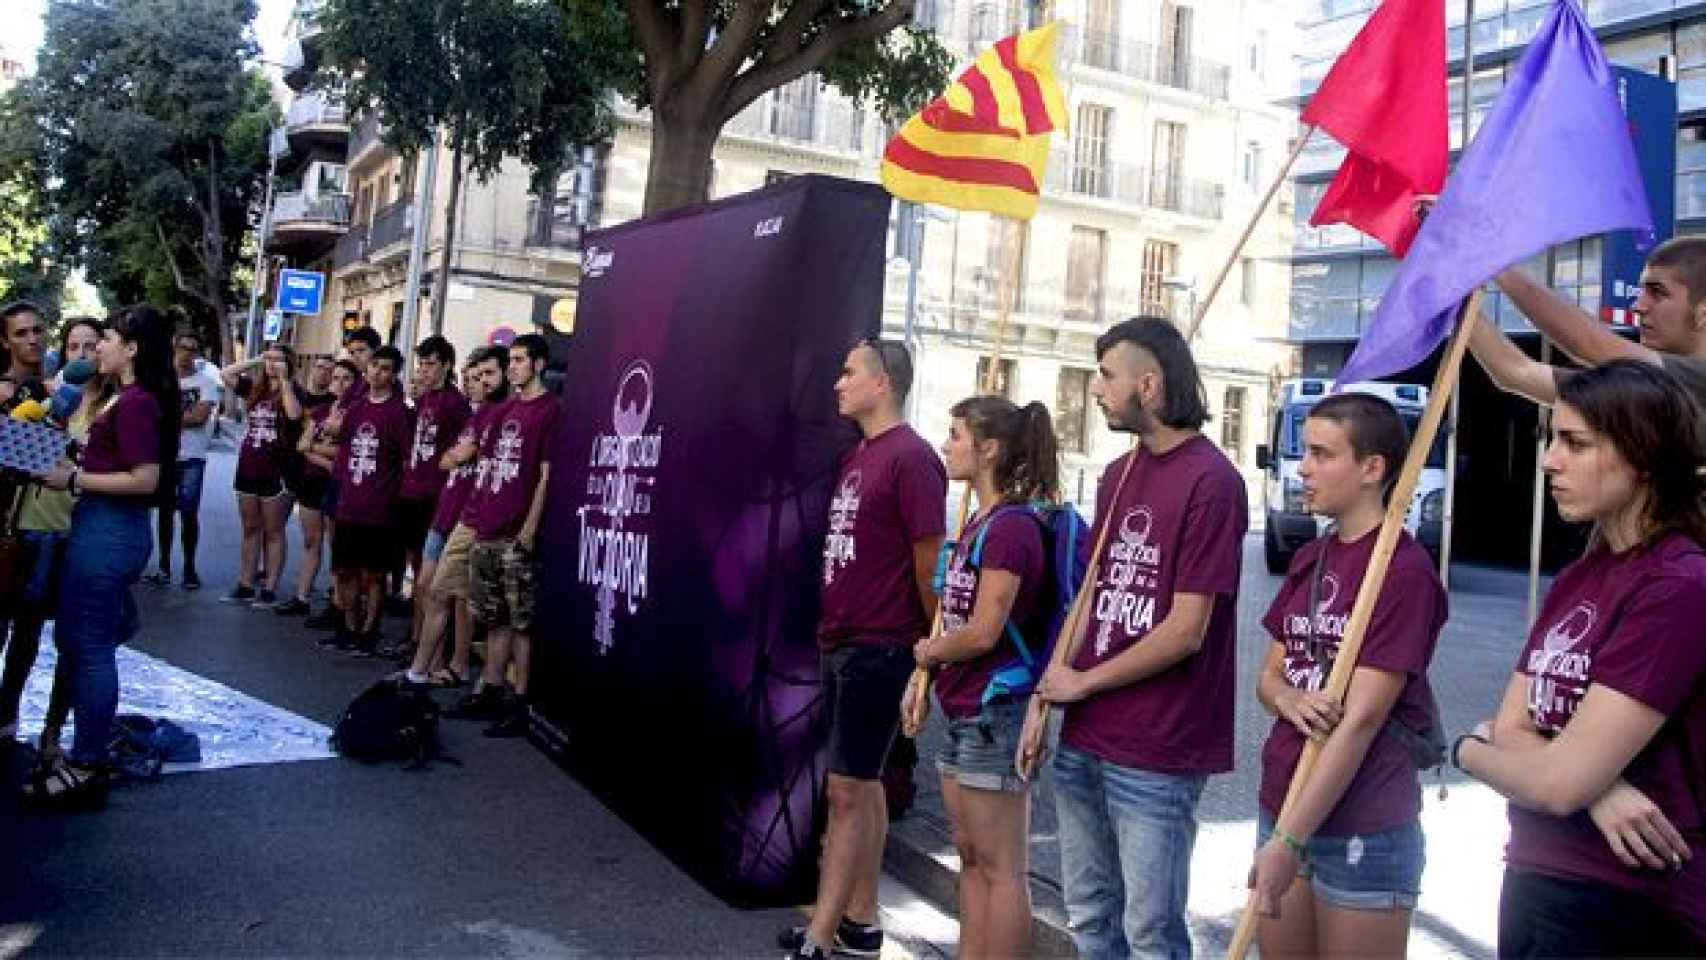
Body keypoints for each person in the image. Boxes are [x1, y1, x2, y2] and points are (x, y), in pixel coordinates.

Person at [1454, 361, 1706, 956]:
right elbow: (1516, 724)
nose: (1548, 461)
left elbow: (1555, 782)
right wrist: (1599, 788)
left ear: (1642, 458)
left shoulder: (1679, 584)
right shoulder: (1580, 577)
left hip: (1625, 900)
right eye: (1551, 439)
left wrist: (1466, 750)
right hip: (1537, 874)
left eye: (1575, 443)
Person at [1034, 316, 1248, 960]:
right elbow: (1094, 592)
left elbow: (1186, 630)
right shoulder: (1117, 475)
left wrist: (1084, 680)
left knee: (1151, 933)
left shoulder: (1214, 482)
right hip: (1084, 735)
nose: (1097, 389)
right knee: (1091, 918)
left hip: (1158, 748)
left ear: (1148, 385)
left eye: (1106, 375)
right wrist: (1048, 692)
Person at [1245, 393, 1449, 959]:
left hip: (1364, 822)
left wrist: (1289, 840)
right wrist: (1289, 698)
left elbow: (1359, 721)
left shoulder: (1403, 571)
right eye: (1304, 452)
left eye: (1321, 454)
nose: (1303, 468)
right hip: (1283, 798)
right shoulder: (1312, 557)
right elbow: (1268, 677)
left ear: (1371, 469)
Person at [782, 339, 946, 960]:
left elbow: (930, 558)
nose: (836, 384)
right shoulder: (858, 456)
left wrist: (928, 654)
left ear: (883, 384)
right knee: (866, 783)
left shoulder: (912, 459)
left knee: (847, 791)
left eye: (848, 372)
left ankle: (820, 936)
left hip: (882, 647)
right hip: (843, 641)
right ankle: (862, 920)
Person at [903, 395, 1058, 959]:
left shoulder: (1012, 528)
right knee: (968, 853)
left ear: (988, 449)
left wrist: (928, 652)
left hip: (997, 710)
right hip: (963, 705)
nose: (946, 445)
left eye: (956, 434)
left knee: (1002, 867)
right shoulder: (976, 522)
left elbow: (986, 630)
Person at [23, 304, 180, 805]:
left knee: (89, 648)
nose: (100, 347)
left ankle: (88, 762)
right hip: (95, 526)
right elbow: (104, 459)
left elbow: (145, 478)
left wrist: (73, 478)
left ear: (132, 349)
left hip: (109, 534)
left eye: (109, 338)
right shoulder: (121, 399)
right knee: (78, 640)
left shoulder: (136, 403)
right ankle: (82, 752)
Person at [443, 334, 560, 737]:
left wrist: (529, 528)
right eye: (509, 359)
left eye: (520, 360)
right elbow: (483, 464)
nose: (512, 366)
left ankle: (520, 699)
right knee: (493, 617)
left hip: (516, 532)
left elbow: (546, 475)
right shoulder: (503, 410)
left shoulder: (550, 411)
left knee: (521, 621)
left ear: (539, 365)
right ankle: (490, 687)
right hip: (487, 526)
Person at [0, 317, 103, 741]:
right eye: (73, 346)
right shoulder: (33, 398)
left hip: (76, 533)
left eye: (91, 346)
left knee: (49, 637)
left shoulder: (104, 405)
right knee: (9, 626)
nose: (81, 354)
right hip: (22, 526)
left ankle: (45, 732)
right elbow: (21, 461)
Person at [1471, 237, 1706, 408]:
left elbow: (1590, 344)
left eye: (1657, 292)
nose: (1638, 306)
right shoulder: (1647, 389)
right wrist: (1453, 292)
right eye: (1642, 290)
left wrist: (1488, 258)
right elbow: (1514, 372)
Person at [403, 347, 505, 687]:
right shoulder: (474, 417)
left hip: (467, 513)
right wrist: (458, 454)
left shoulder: (488, 413)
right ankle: (430, 663)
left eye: (481, 377)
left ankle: (447, 665)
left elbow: (460, 456)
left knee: (454, 596)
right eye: (470, 377)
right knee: (429, 587)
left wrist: (460, 454)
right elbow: (447, 460)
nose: (474, 384)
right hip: (446, 511)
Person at [321, 345, 412, 656]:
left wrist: (393, 497)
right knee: (344, 570)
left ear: (394, 374)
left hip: (379, 508)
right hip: (350, 501)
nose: (377, 373)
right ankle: (347, 625)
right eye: (374, 366)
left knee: (374, 575)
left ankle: (369, 630)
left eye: (385, 368)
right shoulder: (357, 407)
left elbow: (405, 459)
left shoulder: (399, 412)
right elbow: (342, 447)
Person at [398, 336, 469, 655]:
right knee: (415, 569)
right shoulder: (425, 399)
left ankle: (426, 642)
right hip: (413, 490)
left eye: (430, 364)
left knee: (430, 577)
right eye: (421, 364)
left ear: (446, 366)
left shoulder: (455, 403)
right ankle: (414, 635)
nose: (424, 371)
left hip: (436, 495)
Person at [220, 345, 304, 607]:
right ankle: (246, 583)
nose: (272, 364)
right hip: (248, 465)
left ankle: (269, 587)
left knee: (273, 530)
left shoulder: (294, 391)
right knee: (250, 528)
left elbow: (293, 415)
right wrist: (257, 359)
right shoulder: (255, 388)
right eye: (269, 360)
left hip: (275, 469)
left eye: (278, 360)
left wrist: (285, 381)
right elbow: (226, 374)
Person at [279, 359, 358, 618]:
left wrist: (321, 453)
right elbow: (302, 445)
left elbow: (345, 452)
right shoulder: (321, 410)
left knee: (339, 547)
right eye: (336, 377)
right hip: (313, 480)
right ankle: (302, 597)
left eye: (346, 378)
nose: (339, 382)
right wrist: (326, 461)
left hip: (339, 486)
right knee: (311, 540)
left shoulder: (356, 412)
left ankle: (338, 602)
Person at [144, 329, 221, 590]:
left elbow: (199, 417)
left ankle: (189, 567)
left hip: (192, 457)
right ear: (173, 349)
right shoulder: (160, 381)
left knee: (189, 513)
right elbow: (149, 416)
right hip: (165, 455)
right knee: (165, 513)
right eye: (182, 347)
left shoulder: (206, 383)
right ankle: (164, 566)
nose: (187, 354)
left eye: (192, 349)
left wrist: (166, 419)